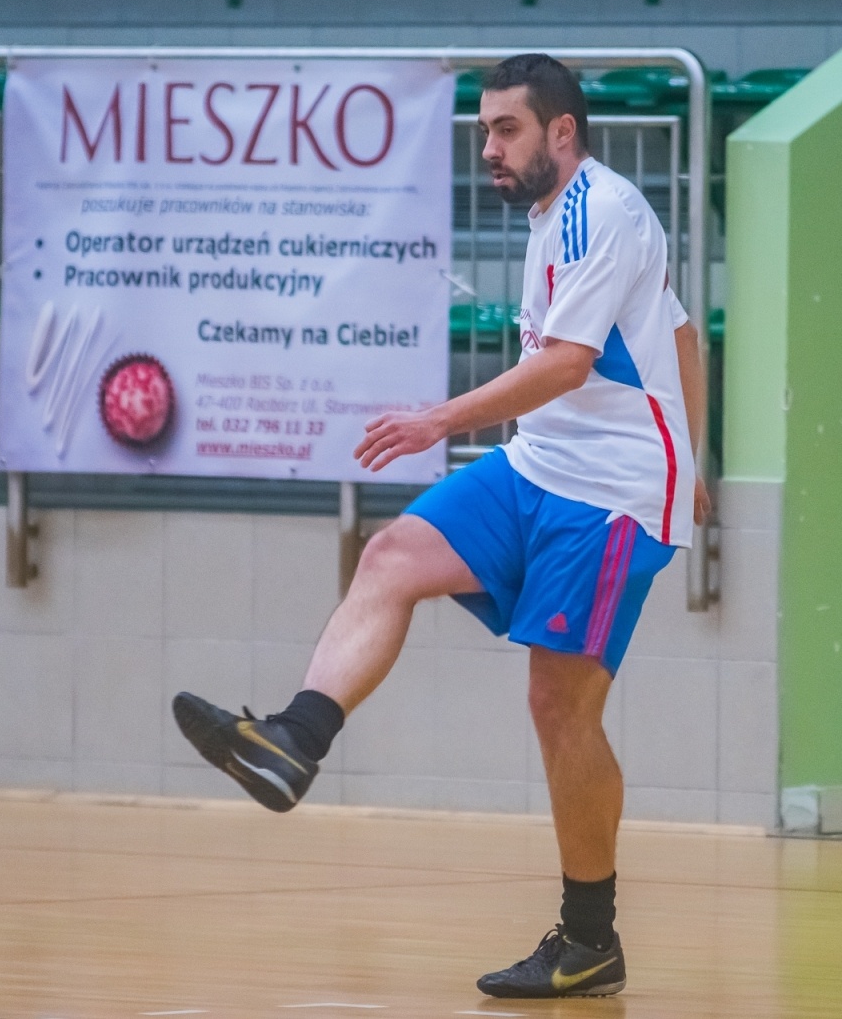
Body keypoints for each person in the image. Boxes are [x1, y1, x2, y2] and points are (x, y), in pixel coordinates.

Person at [173, 52, 709, 1000]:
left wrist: (436, 421)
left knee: (559, 706)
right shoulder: (559, 218)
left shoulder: (603, 210)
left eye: (506, 130)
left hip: (612, 491)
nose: (489, 148)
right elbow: (679, 332)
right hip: (537, 464)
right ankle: (296, 740)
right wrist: (699, 455)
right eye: (483, 131)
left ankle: (589, 939)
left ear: (562, 132)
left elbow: (568, 365)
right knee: (393, 556)